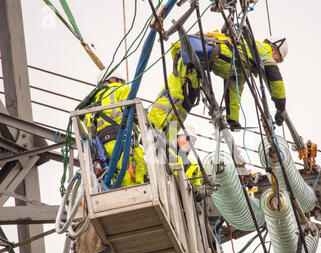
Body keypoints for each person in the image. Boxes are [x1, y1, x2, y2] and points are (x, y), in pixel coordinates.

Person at [147, 31, 288, 138]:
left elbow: (234, 90)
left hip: (199, 64)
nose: (276, 62)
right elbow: (275, 79)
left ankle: (166, 138)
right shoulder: (260, 50)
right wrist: (280, 108)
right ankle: (152, 126)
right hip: (192, 54)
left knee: (186, 102)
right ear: (274, 49)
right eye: (278, 60)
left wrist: (233, 119)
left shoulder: (246, 64)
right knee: (177, 94)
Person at [83, 69, 148, 187]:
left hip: (101, 150)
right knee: (133, 180)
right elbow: (135, 113)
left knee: (113, 180)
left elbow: (89, 130)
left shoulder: (90, 105)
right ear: (113, 80)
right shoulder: (121, 89)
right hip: (123, 142)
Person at [167, 125, 204, 202]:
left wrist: (199, 191)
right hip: (166, 196)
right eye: (187, 139)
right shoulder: (167, 154)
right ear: (176, 139)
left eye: (192, 141)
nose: (189, 143)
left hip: (181, 205)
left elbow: (197, 184)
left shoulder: (193, 165)